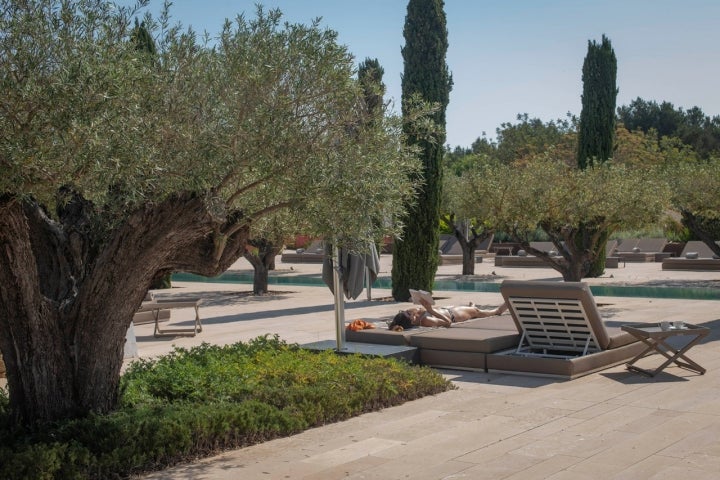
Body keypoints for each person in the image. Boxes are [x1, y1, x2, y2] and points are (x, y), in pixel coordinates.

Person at [388, 296, 508, 330]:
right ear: (412, 319)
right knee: (476, 312)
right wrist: (430, 310)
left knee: (472, 309)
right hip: (454, 315)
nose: (409, 310)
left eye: (406, 310)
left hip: (448, 308)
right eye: (408, 313)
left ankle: (471, 307)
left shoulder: (417, 316)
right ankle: (498, 310)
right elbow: (448, 322)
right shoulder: (426, 321)